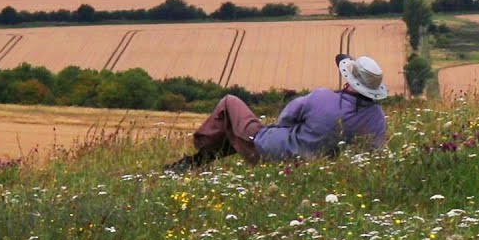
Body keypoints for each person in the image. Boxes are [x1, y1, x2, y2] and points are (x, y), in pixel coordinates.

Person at [165, 54, 388, 173]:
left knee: (229, 103)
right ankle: (193, 164)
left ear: (350, 83)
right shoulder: (377, 120)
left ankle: (196, 160)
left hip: (269, 151)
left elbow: (285, 119)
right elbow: (371, 153)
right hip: (317, 170)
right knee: (236, 134)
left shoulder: (322, 97)